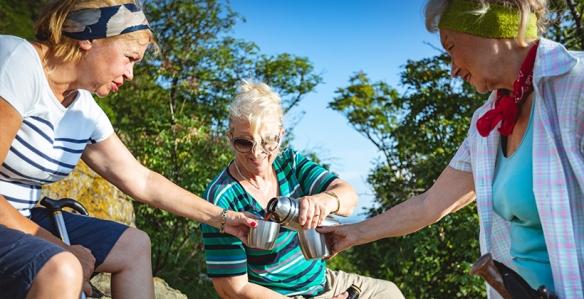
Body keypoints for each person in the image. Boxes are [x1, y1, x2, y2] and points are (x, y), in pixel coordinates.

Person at [318, 0, 584, 297]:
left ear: (490, 30)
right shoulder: (486, 124)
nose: (452, 70)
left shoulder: (577, 88)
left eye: (451, 47)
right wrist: (353, 233)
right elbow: (430, 204)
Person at [0, 1, 257, 298]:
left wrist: (223, 219)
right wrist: (62, 249)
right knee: (65, 267)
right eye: (129, 57)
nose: (131, 73)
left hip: (19, 218)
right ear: (88, 37)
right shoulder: (17, 62)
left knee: (134, 246)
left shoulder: (83, 111)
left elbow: (142, 180)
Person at [200, 80, 405, 299]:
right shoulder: (221, 196)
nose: (257, 153)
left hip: (322, 281)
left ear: (281, 134)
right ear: (230, 138)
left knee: (388, 292)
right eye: (244, 142)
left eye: (268, 141)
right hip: (275, 295)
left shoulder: (290, 163)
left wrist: (324, 201)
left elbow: (349, 198)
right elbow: (232, 289)